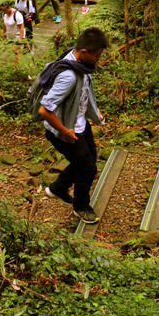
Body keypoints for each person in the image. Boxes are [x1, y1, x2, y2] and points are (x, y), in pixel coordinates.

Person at [38, 27, 109, 224]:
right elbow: (45, 110)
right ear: (84, 52)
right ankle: (81, 207)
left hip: (78, 123)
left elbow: (82, 94)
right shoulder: (68, 75)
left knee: (87, 161)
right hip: (62, 130)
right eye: (96, 56)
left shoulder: (79, 63)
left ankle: (58, 189)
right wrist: (64, 131)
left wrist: (93, 113)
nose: (98, 60)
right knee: (87, 168)